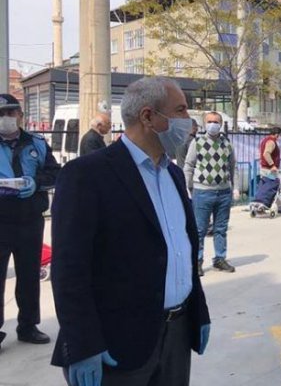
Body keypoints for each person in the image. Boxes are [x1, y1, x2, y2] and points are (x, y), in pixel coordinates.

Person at [51, 77, 211, 386]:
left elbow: (183, 251)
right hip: (117, 342)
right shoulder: (87, 176)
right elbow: (69, 270)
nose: (188, 121)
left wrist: (198, 312)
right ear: (148, 117)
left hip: (176, 336)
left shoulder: (174, 174)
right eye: (180, 110)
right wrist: (82, 344)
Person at [0, 94, 60, 351]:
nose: (6, 119)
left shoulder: (36, 143)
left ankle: (27, 325)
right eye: (1, 114)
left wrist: (36, 183)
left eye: (11, 113)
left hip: (29, 219)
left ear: (21, 116)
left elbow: (54, 172)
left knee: (28, 275)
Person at [184, 111, 237, 276]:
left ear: (221, 124)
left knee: (220, 228)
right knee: (199, 230)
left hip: (223, 192)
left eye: (216, 121)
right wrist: (189, 187)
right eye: (210, 121)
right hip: (202, 191)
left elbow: (231, 166)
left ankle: (220, 258)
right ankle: (197, 261)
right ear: (204, 124)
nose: (213, 124)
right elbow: (189, 165)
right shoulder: (197, 142)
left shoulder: (226, 143)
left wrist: (233, 187)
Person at [258, 127, 281, 214]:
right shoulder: (271, 142)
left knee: (266, 187)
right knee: (274, 187)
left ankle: (278, 207)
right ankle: (275, 206)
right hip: (270, 170)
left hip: (264, 169)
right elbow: (266, 153)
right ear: (277, 134)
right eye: (280, 135)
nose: (280, 137)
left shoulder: (265, 140)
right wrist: (272, 165)